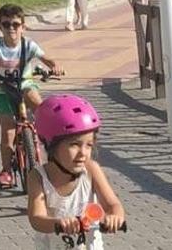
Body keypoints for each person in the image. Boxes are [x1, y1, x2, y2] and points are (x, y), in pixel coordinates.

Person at [0, 4, 62, 189]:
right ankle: (7, 171)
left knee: (39, 105)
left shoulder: (28, 45)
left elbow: (47, 58)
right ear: (0, 27)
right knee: (8, 130)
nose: (11, 28)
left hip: (25, 83)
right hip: (3, 88)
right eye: (6, 24)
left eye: (16, 24)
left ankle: (48, 142)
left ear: (23, 27)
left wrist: (55, 66)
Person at [29, 94, 126, 248]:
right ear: (51, 145)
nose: (83, 153)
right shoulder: (39, 177)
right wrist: (58, 223)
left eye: (89, 145)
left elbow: (112, 204)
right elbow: (36, 218)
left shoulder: (91, 169)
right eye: (74, 144)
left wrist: (115, 217)